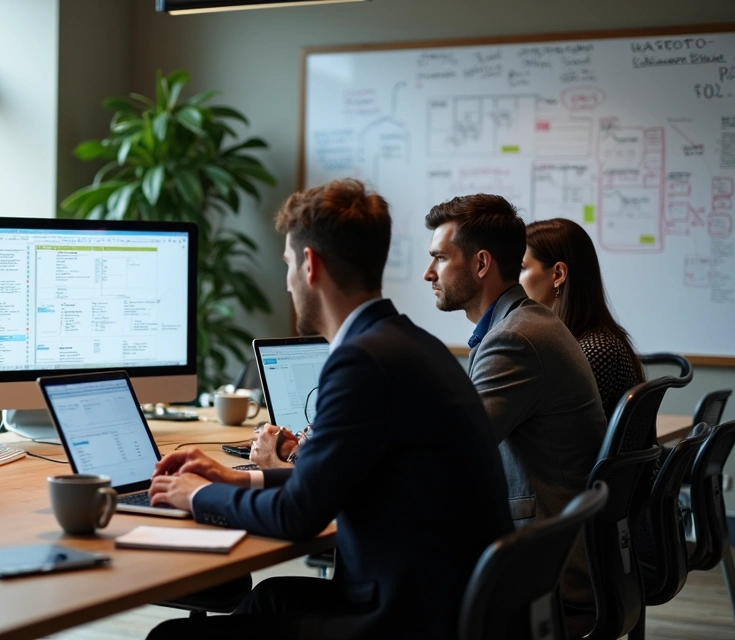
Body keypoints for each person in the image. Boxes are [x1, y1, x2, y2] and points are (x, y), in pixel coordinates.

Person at [147, 179, 513, 639]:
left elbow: (297, 516)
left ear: (310, 265)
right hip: (454, 602)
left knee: (170, 635)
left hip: (405, 620)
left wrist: (195, 496)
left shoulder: (361, 361)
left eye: (287, 266)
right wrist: (238, 477)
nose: (286, 282)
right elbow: (336, 471)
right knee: (269, 598)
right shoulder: (411, 344)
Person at [423, 195, 607, 638]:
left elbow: (452, 452)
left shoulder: (517, 339)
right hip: (560, 551)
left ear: (481, 263)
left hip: (551, 572)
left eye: (440, 258)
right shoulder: (525, 324)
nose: (429, 273)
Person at [521, 218, 645, 419]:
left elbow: (557, 428)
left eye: (521, 268)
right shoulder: (586, 341)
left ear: (558, 274)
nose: (513, 280)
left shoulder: (595, 351)